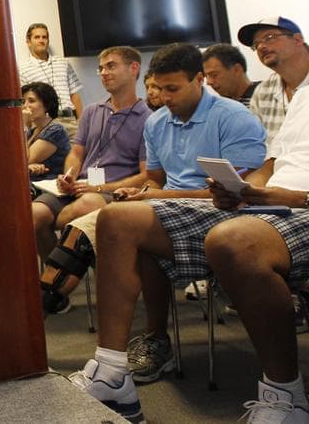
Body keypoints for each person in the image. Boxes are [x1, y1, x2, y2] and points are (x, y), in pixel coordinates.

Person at [66, 43, 267, 423]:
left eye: (174, 89)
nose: (164, 98)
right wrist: (148, 192)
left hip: (226, 212)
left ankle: (118, 363)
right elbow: (156, 178)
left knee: (117, 221)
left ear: (199, 79)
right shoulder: (158, 123)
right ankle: (127, 356)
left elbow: (240, 192)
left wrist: (156, 195)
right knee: (123, 227)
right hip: (170, 208)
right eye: (159, 88)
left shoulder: (233, 117)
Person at [204, 86, 309, 422]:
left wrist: (299, 198)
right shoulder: (303, 97)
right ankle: (112, 369)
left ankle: (284, 395)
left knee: (234, 241)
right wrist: (248, 189)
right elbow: (273, 161)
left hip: (301, 204)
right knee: (120, 218)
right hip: (276, 201)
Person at [34, 46, 150, 312]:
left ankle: (59, 283)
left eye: (111, 66)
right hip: (76, 187)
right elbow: (76, 153)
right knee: (34, 214)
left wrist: (99, 186)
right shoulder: (91, 111)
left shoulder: (147, 119)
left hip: (111, 191)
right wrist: (69, 174)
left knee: (87, 205)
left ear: (133, 69)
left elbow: (145, 175)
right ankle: (58, 286)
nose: (103, 73)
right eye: (101, 68)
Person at [242, 17, 309, 146]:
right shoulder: (263, 91)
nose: (261, 47)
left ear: (298, 39)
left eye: (269, 37)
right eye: (256, 45)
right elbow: (257, 144)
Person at [19, 24, 83, 135]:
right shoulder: (22, 70)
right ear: (28, 42)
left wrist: (81, 122)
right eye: (37, 37)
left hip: (70, 121)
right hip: (44, 124)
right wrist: (28, 129)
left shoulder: (63, 63)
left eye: (44, 37)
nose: (41, 40)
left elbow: (74, 95)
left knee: (76, 152)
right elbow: (25, 104)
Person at [22, 82, 70, 182]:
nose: (25, 106)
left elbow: (25, 161)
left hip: (49, 186)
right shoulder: (32, 131)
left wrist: (23, 125)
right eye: (23, 101)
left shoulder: (56, 130)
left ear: (46, 105)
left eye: (31, 101)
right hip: (32, 184)